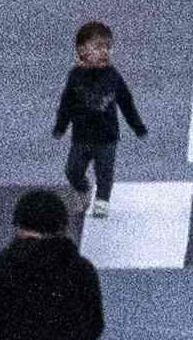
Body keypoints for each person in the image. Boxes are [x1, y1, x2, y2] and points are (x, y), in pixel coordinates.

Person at [52, 21, 147, 214]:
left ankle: (102, 202)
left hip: (107, 137)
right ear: (82, 50)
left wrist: (137, 126)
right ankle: (83, 188)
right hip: (81, 137)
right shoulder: (75, 76)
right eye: (98, 47)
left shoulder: (113, 76)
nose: (105, 52)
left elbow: (126, 102)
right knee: (72, 170)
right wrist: (61, 127)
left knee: (104, 173)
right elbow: (66, 104)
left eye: (108, 47)